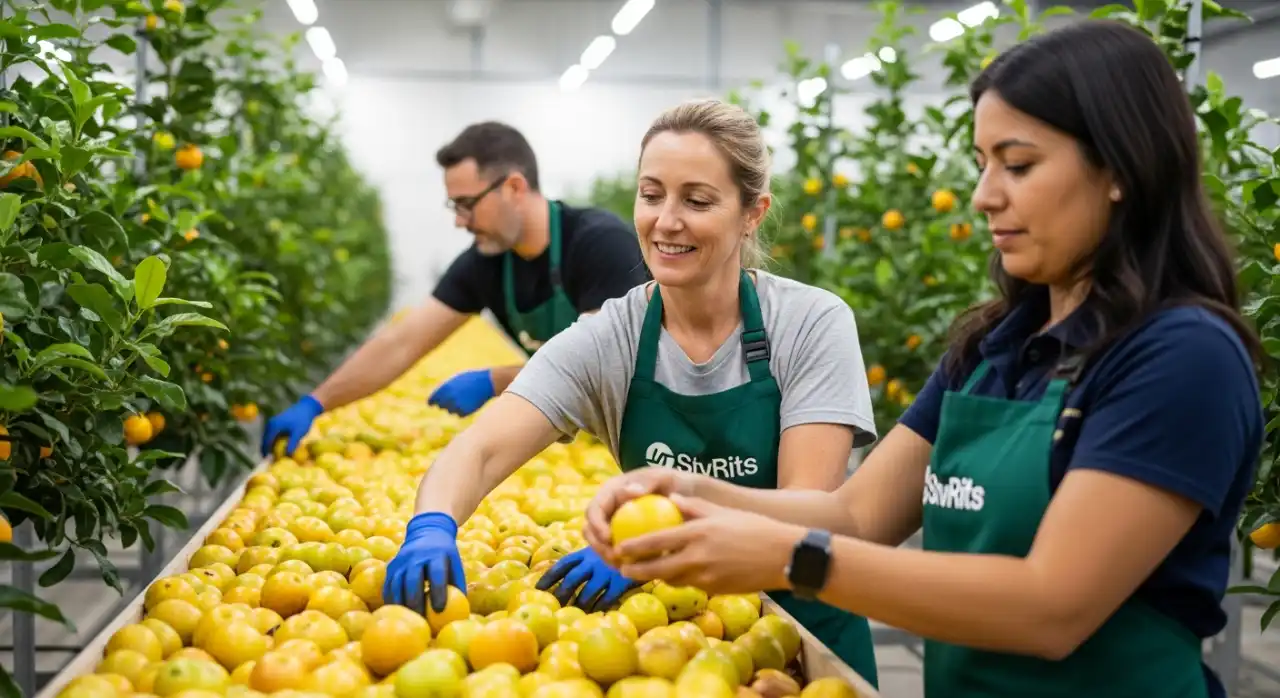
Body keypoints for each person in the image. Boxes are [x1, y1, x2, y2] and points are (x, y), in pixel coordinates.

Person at [582, 20, 1263, 698]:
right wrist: (694, 494)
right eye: (982, 164)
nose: (984, 196)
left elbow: (1050, 606)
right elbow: (856, 516)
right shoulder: (996, 349)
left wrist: (792, 559)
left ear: (1119, 168)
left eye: (1018, 165)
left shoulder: (1182, 360)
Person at [382, 98, 884, 685]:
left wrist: (656, 539)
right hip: (672, 642)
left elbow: (806, 507)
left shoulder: (809, 323)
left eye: (696, 201)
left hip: (799, 637)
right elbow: (481, 449)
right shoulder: (608, 338)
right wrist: (433, 524)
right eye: (651, 195)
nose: (666, 221)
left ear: (752, 213)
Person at [261, 122, 648, 456]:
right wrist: (316, 402)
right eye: (454, 207)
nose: (460, 222)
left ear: (514, 187)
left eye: (467, 204)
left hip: (640, 434)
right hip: (577, 430)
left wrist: (495, 380)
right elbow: (401, 342)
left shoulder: (600, 244)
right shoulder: (488, 263)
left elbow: (597, 367)